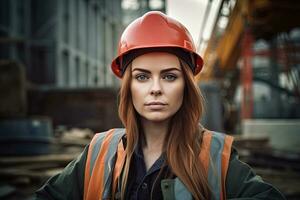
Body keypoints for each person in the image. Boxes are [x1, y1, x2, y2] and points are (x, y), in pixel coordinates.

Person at [35, 11, 286, 200]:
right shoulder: (97, 152)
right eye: (142, 77)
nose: (156, 88)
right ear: (129, 87)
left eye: (169, 76)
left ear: (186, 86)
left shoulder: (216, 157)